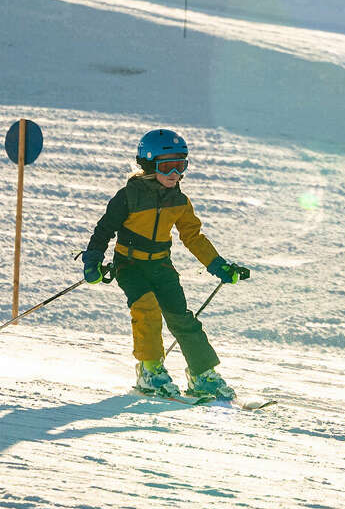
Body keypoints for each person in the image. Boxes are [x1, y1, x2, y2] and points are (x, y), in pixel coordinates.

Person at [80, 128, 251, 398]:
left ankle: (202, 374)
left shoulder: (179, 200)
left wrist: (218, 265)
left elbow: (193, 236)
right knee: (146, 308)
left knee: (181, 318)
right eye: (168, 167)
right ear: (149, 165)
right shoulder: (128, 196)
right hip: (130, 266)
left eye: (180, 167)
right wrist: (93, 261)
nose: (175, 175)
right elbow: (104, 230)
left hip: (162, 267)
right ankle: (150, 370)